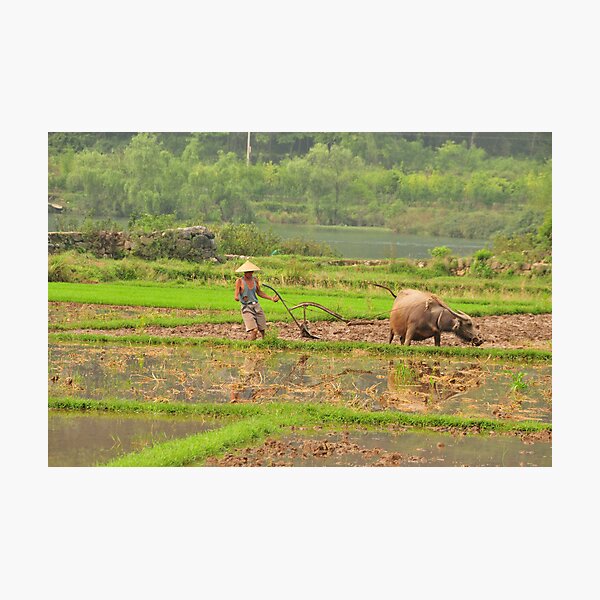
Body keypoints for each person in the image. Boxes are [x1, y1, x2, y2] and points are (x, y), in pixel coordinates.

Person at [234, 260, 278, 340]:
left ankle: (265, 343)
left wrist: (271, 298)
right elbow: (236, 294)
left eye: (251, 271)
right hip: (246, 307)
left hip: (256, 306)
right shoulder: (240, 281)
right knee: (254, 330)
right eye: (248, 272)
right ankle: (250, 346)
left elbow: (259, 292)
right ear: (244, 272)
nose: (250, 273)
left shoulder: (255, 280)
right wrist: (238, 297)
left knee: (262, 329)